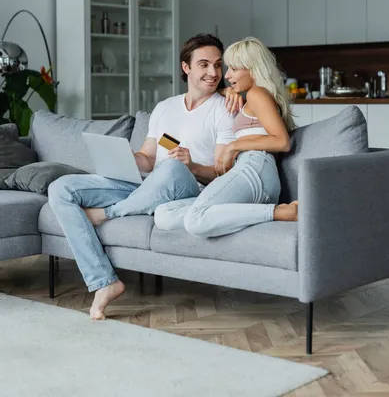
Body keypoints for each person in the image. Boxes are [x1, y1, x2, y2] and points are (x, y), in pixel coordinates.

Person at [48, 33, 237, 320]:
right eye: (204, 64)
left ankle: (107, 213)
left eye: (218, 65)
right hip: (148, 185)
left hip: (189, 186)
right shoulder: (165, 108)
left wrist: (192, 166)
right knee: (61, 188)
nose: (213, 73)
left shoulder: (225, 109)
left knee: (172, 168)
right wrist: (127, 157)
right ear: (186, 67)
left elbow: (223, 172)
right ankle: (105, 282)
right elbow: (149, 159)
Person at [155, 37, 298, 238]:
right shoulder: (249, 96)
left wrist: (234, 146)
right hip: (246, 170)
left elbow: (282, 141)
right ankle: (249, 216)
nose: (227, 75)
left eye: (233, 69)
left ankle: (277, 212)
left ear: (253, 69)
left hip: (255, 167)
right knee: (164, 214)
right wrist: (227, 90)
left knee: (196, 220)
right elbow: (221, 90)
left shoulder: (258, 94)